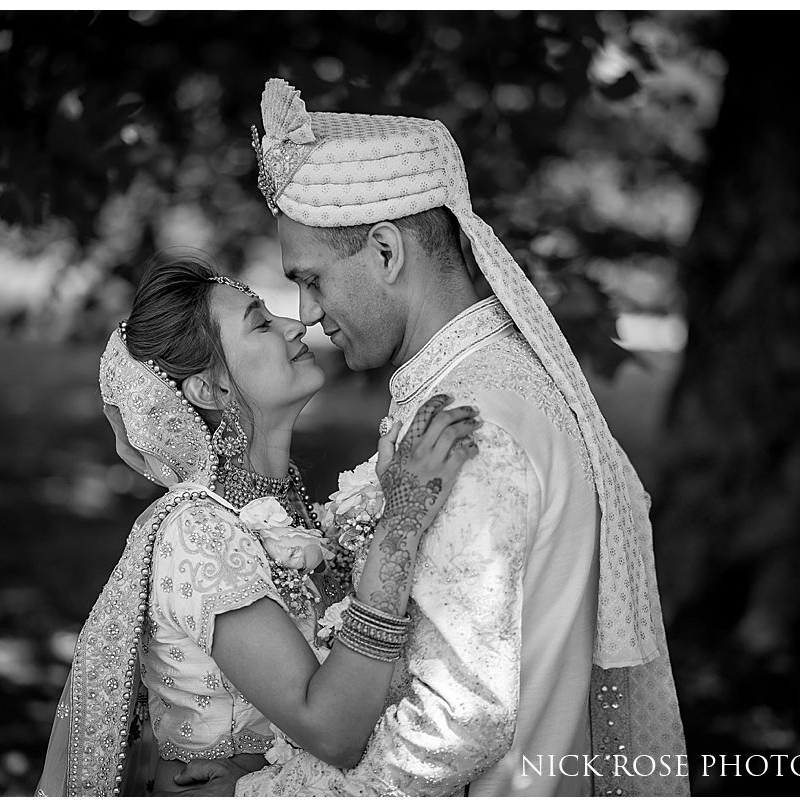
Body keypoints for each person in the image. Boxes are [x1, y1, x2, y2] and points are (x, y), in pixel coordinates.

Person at [172, 79, 690, 796]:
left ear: (386, 252)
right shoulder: (486, 382)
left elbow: (456, 722)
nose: (307, 313)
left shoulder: (472, 424)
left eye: (312, 278)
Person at [35, 255, 483, 795]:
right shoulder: (200, 535)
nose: (297, 325)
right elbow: (332, 731)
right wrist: (401, 523)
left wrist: (259, 770)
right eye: (261, 323)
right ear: (212, 391)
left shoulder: (281, 512)